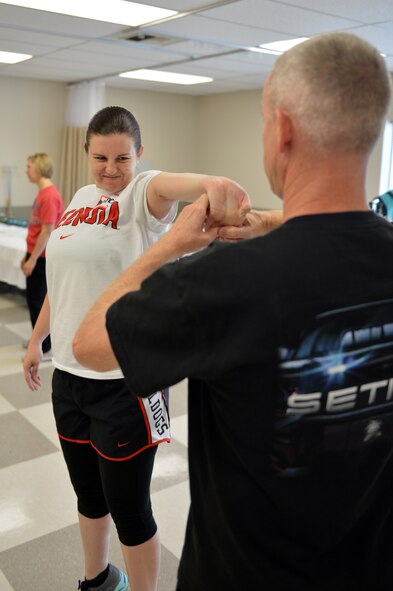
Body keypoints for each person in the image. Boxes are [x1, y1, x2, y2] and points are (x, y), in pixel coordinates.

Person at [73, 33, 393, 591]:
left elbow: (90, 342)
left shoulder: (223, 283)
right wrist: (273, 221)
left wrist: (168, 245)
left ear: (283, 130)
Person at [23, 105, 252, 591]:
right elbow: (62, 280)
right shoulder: (80, 198)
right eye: (101, 157)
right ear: (87, 153)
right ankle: (97, 579)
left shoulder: (140, 197)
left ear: (139, 154)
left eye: (122, 158)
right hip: (69, 378)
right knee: (88, 496)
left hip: (126, 384)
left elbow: (169, 184)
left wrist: (213, 184)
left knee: (129, 508)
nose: (111, 169)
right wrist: (37, 338)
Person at [21, 152, 64, 358]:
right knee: (33, 299)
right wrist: (28, 254)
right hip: (36, 254)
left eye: (29, 166)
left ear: (38, 168)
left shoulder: (49, 196)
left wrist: (32, 259)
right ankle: (37, 340)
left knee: (37, 300)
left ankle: (43, 346)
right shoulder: (42, 194)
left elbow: (47, 231)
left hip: (43, 257)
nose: (26, 170)